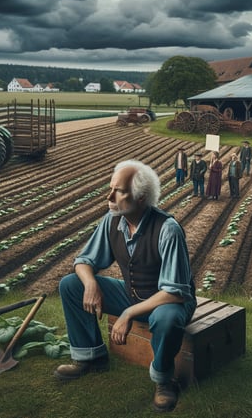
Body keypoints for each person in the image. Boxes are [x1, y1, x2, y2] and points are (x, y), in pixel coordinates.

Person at [56, 160, 197, 413]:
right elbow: (84, 261)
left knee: (165, 320)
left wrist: (128, 313)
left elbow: (175, 292)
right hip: (132, 294)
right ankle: (91, 357)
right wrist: (89, 284)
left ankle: (164, 381)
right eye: (111, 188)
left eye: (119, 191)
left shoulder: (168, 229)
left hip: (168, 302)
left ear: (141, 198)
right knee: (71, 285)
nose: (109, 196)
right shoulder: (112, 221)